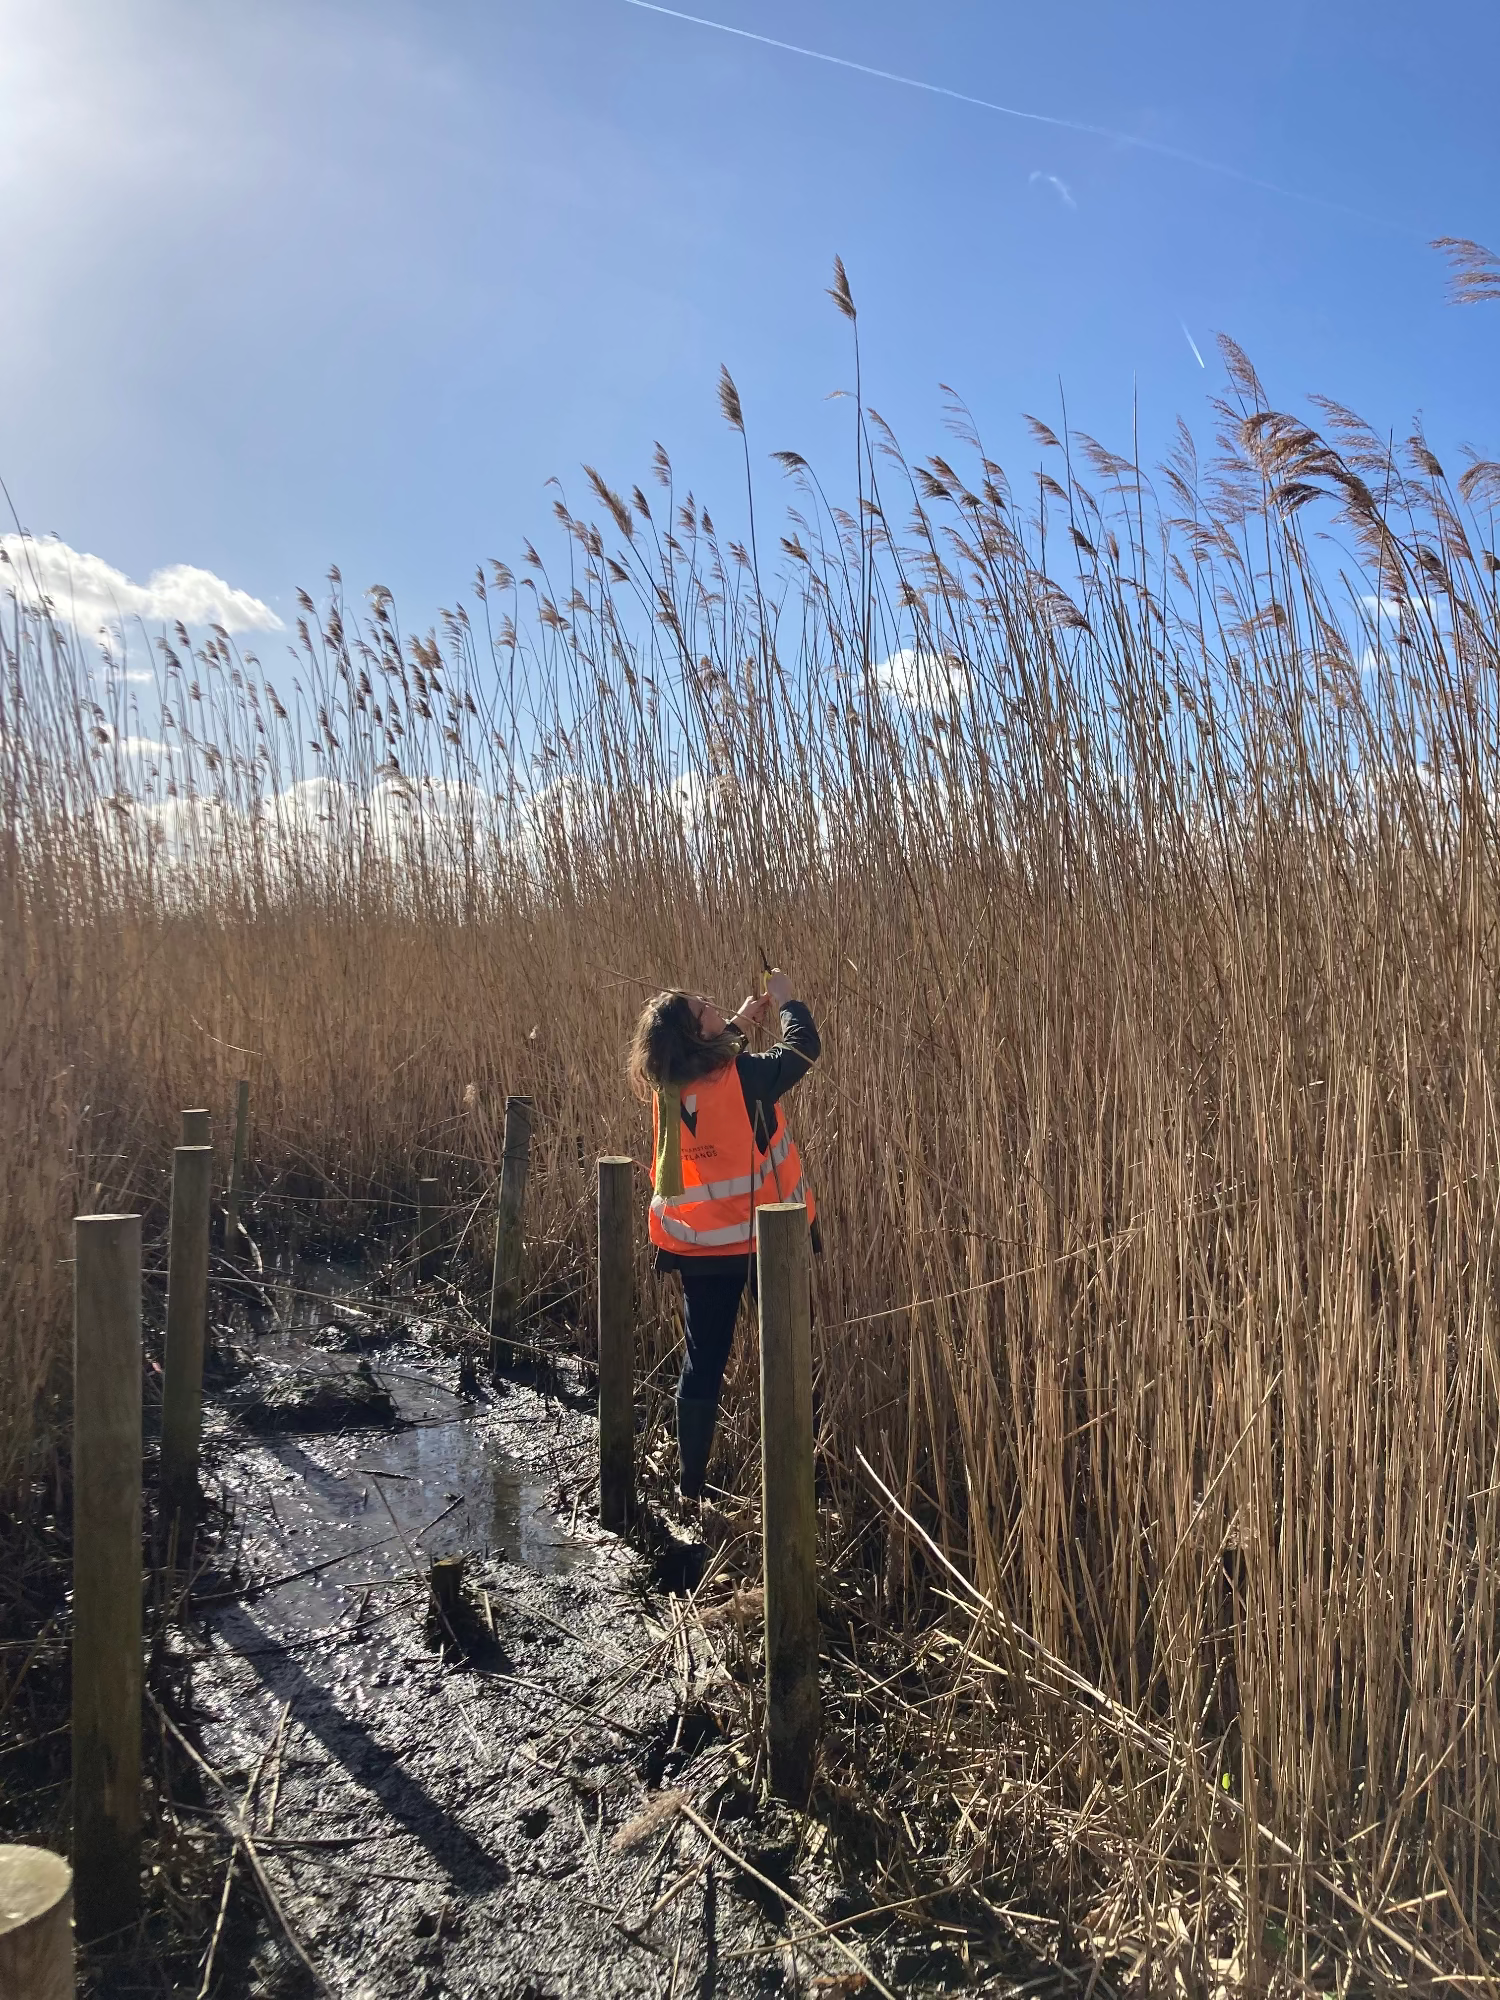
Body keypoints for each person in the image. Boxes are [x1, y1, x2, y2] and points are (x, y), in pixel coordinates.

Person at [626, 968, 819, 1510]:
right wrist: (786, 1002)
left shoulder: (669, 1087)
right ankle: (800, 1473)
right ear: (696, 1035)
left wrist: (735, 1021)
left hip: (696, 1248)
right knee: (788, 1353)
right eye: (703, 1007)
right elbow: (803, 1051)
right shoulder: (744, 1076)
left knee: (702, 1362)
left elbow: (713, 1068)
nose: (711, 1004)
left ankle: (690, 1487)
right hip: (760, 1244)